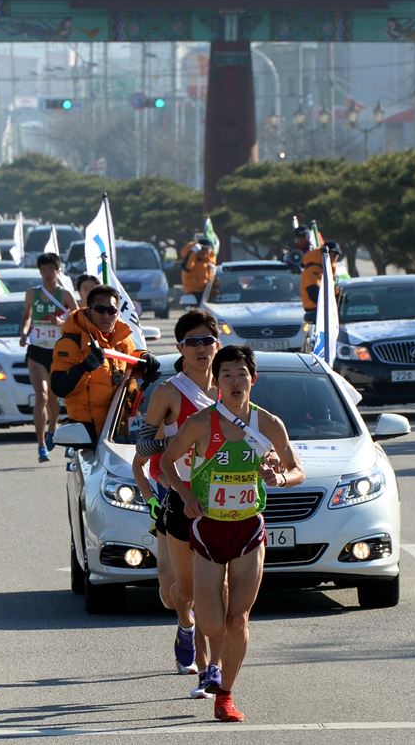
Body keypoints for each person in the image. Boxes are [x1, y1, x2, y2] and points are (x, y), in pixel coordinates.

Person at [161, 344, 304, 723]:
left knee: (238, 619)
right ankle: (204, 650)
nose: (235, 381)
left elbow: (296, 469)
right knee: (212, 623)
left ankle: (225, 694)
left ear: (253, 379)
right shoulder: (199, 424)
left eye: (242, 374)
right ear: (217, 382)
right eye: (227, 375)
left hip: (248, 530)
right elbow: (165, 462)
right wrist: (186, 492)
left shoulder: (269, 424)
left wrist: (281, 477)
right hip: (208, 532)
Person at [133, 309, 223, 698]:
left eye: (208, 341)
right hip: (173, 497)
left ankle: (207, 670)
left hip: (217, 500)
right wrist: (173, 448)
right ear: (180, 348)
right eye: (193, 342)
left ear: (217, 345)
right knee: (175, 591)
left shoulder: (230, 388)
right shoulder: (169, 392)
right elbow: (142, 449)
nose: (202, 349)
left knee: (211, 588)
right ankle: (185, 625)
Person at [50, 284, 160, 441]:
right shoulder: (70, 342)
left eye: (111, 310)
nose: (106, 315)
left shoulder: (123, 340)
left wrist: (145, 357)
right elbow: (59, 387)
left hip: (125, 435)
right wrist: (85, 367)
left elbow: (130, 364)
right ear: (88, 310)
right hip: (90, 440)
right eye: (100, 309)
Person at [19, 253, 77, 463]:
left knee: (53, 397)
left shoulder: (65, 294)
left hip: (57, 351)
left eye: (51, 269)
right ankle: (41, 445)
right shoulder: (32, 294)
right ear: (40, 271)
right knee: (41, 396)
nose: (47, 273)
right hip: (36, 351)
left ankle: (53, 428)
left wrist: (61, 321)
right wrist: (24, 333)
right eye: (44, 269)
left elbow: (76, 317)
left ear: (57, 270)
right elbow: (26, 317)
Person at [300, 240, 341, 322]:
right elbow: (313, 292)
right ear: (324, 254)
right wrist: (330, 305)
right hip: (316, 311)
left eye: (336, 254)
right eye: (331, 253)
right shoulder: (314, 270)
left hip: (323, 311)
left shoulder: (326, 269)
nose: (334, 256)